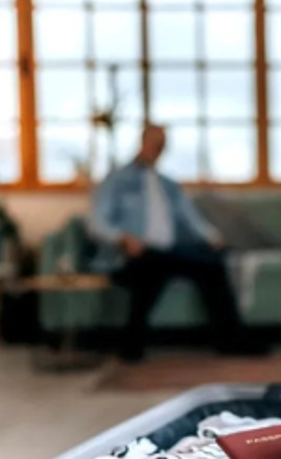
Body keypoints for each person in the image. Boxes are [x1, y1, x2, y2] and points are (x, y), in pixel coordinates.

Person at [89, 123, 254, 361]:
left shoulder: (168, 184)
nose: (158, 149)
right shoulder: (117, 180)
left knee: (212, 263)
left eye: (162, 145)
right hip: (132, 255)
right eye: (155, 144)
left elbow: (190, 217)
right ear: (142, 142)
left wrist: (211, 236)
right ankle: (131, 345)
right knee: (151, 267)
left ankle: (230, 339)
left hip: (168, 253)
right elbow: (98, 221)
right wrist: (122, 238)